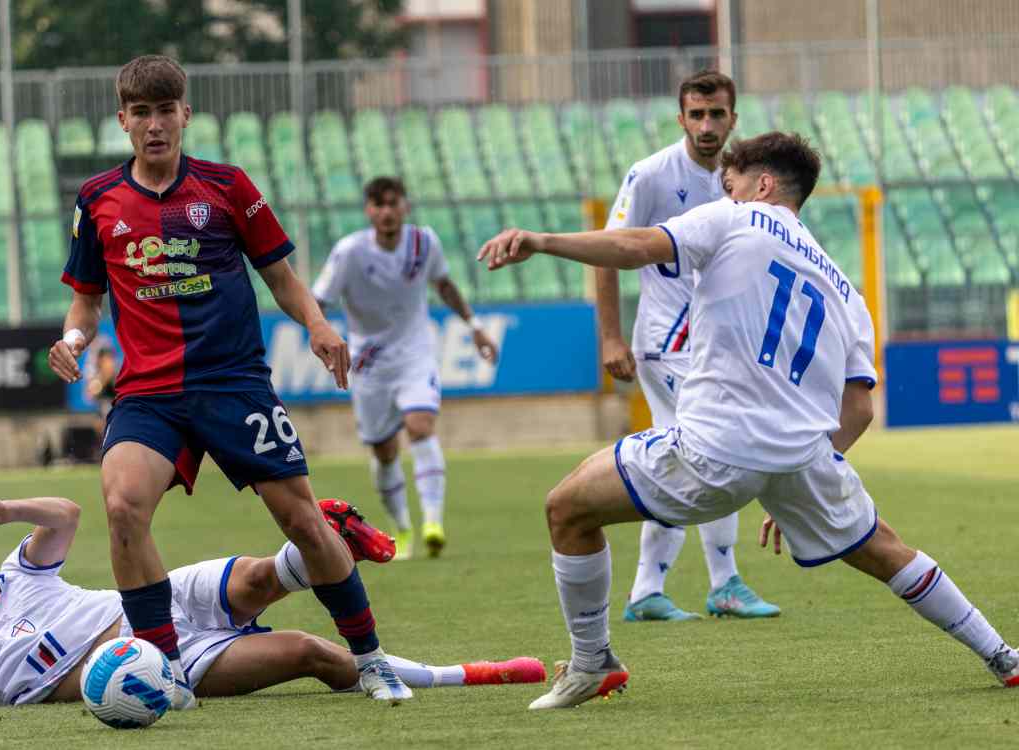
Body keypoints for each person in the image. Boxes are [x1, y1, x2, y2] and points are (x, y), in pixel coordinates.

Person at [476, 131, 1019, 710]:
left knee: (566, 508)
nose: (725, 192)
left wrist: (543, 240)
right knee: (887, 550)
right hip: (804, 457)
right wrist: (793, 484)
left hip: (716, 448)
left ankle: (592, 664)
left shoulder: (735, 218)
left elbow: (635, 245)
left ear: (761, 185)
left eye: (730, 183)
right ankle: (1003, 655)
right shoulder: (846, 290)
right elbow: (859, 407)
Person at [47, 55, 412, 707]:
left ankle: (371, 659)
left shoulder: (227, 186)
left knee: (303, 522)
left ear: (185, 114)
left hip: (233, 384)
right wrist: (74, 341)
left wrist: (318, 325)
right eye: (141, 113)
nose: (155, 125)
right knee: (123, 507)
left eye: (166, 111)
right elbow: (85, 301)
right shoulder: (98, 200)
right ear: (122, 120)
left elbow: (281, 277)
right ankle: (167, 671)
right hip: (149, 393)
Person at [0, 493, 546, 712]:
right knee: (311, 654)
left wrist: (5, 511)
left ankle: (323, 540)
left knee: (258, 578)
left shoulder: (8, 578)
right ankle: (470, 673)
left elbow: (67, 515)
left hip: (156, 598)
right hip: (165, 663)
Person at [597, 70, 778, 621]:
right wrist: (610, 336)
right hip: (666, 341)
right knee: (717, 446)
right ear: (680, 118)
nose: (706, 125)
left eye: (716, 114)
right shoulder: (651, 174)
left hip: (713, 343)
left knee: (684, 457)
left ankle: (647, 590)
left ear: (733, 118)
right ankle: (722, 582)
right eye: (696, 114)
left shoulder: (741, 179)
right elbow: (608, 251)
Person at [313, 176, 497, 560]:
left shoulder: (423, 243)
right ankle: (401, 527)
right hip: (369, 363)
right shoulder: (349, 252)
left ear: (405, 207)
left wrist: (475, 326)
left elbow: (444, 285)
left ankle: (433, 523)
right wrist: (322, 335)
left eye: (393, 203)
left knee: (420, 425)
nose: (387, 212)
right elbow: (318, 302)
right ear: (369, 211)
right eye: (378, 205)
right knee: (384, 451)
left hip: (415, 353)